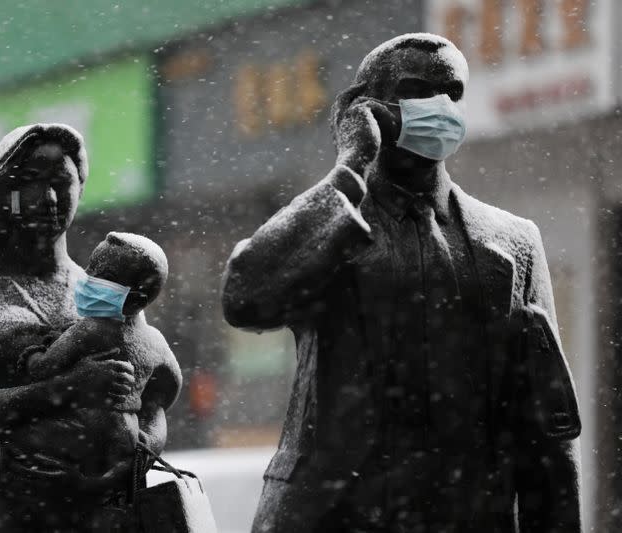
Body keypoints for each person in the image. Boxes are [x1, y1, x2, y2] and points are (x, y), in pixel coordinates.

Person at [221, 33, 581, 533]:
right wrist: (350, 166)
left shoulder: (514, 242)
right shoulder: (331, 221)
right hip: (333, 517)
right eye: (417, 91)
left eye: (452, 93)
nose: (439, 106)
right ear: (365, 105)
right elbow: (245, 297)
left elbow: (548, 427)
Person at [0, 124, 140, 532]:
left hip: (92, 510)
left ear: (81, 187)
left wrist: (133, 452)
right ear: (4, 193)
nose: (48, 200)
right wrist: (66, 391)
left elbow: (149, 392)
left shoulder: (104, 293)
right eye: (30, 185)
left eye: (62, 183)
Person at [0, 231, 181, 531]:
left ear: (137, 295)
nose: (88, 278)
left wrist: (32, 353)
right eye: (91, 268)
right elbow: (170, 388)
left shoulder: (90, 330)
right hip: (122, 445)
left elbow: (44, 368)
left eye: (103, 274)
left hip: (71, 459)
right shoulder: (154, 342)